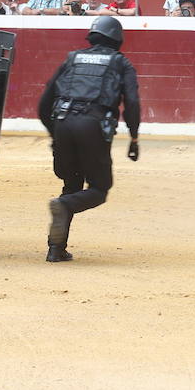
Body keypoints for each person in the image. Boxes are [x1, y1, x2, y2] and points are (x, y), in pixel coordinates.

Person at [37, 16, 141, 263]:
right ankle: (63, 207)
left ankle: (55, 249)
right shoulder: (120, 62)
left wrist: (55, 134)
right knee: (99, 189)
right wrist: (134, 138)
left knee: (70, 185)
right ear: (117, 39)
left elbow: (44, 102)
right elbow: (133, 103)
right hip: (92, 126)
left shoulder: (72, 58)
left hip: (63, 122)